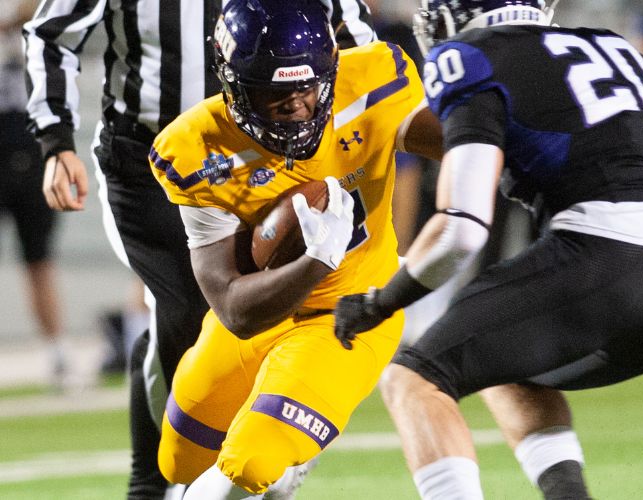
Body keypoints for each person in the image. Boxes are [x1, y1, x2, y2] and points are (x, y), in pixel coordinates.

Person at [333, 1, 643, 499]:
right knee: (500, 362)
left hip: (605, 254)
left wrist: (381, 302)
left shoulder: (468, 56)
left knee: (414, 378)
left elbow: (462, 227)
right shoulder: (611, 47)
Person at [23, 0, 376, 497]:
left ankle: (262, 447)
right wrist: (56, 139)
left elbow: (357, 43)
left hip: (273, 160)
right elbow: (50, 32)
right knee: (192, 307)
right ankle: (159, 481)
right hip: (148, 163)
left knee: (279, 306)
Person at [149, 0, 442, 498]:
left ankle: (283, 449)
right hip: (262, 310)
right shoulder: (197, 148)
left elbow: (464, 143)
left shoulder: (372, 81)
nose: (296, 105)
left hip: (352, 312)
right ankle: (286, 453)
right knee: (179, 460)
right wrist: (313, 262)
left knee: (251, 462)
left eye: (307, 87)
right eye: (274, 92)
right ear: (233, 83)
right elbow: (233, 309)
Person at [1, 0, 68, 391]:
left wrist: (11, 21)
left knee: (39, 261)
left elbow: (41, 10)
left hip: (27, 150)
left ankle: (57, 352)